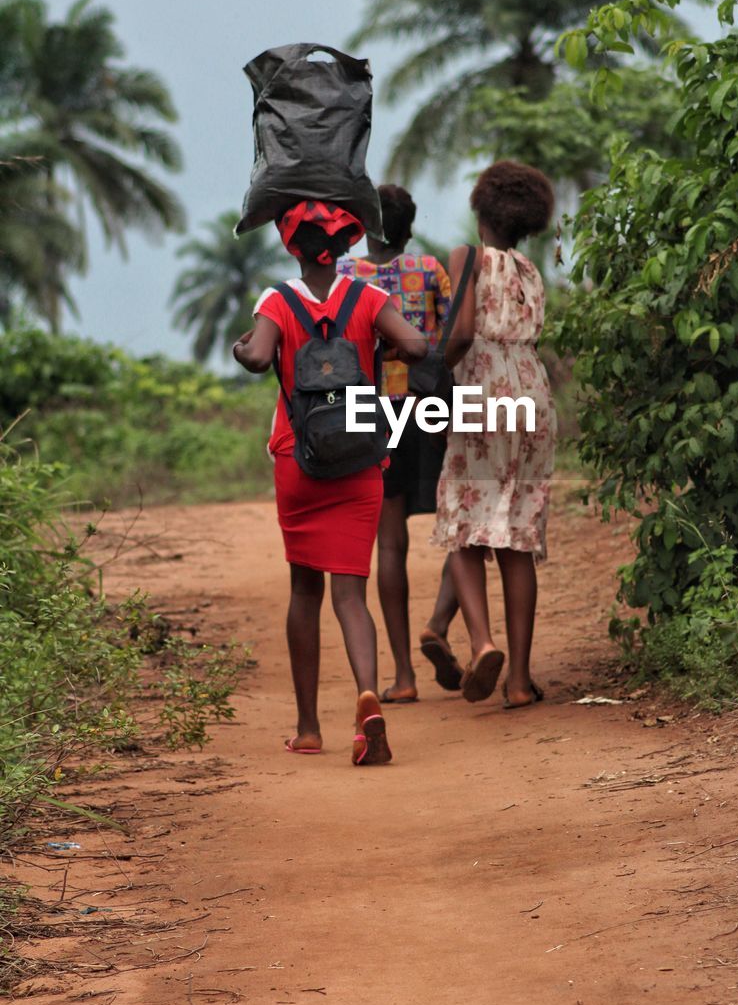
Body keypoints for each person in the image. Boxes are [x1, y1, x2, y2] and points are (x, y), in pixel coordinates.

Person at [232, 199, 427, 764]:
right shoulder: (368, 298)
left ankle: (309, 727)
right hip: (361, 460)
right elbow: (415, 346)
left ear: (292, 248)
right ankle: (368, 701)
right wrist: (381, 345)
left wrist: (244, 348)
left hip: (300, 459)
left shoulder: (277, 300)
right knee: (351, 593)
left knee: (304, 589)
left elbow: (258, 355)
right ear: (345, 248)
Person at [432, 161, 557, 709]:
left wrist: (431, 369)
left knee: (465, 524)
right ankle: (521, 682)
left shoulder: (467, 257)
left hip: (483, 389)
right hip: (533, 393)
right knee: (518, 535)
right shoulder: (531, 270)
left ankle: (483, 643)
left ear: (480, 210)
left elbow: (461, 332)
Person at [338, 184, 463, 703]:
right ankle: (443, 624)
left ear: (368, 227)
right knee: (464, 526)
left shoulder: (347, 276)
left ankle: (405, 677)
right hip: (431, 405)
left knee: (390, 544)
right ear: (409, 228)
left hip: (374, 413)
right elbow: (457, 332)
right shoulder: (431, 270)